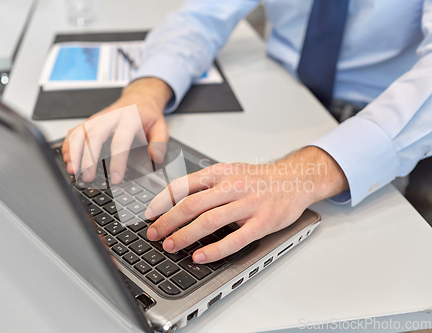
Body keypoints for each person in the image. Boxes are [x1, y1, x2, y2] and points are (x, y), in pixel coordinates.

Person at [62, 0, 432, 264]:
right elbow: (203, 14)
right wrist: (148, 89)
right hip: (276, 93)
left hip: (379, 125)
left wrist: (303, 174)